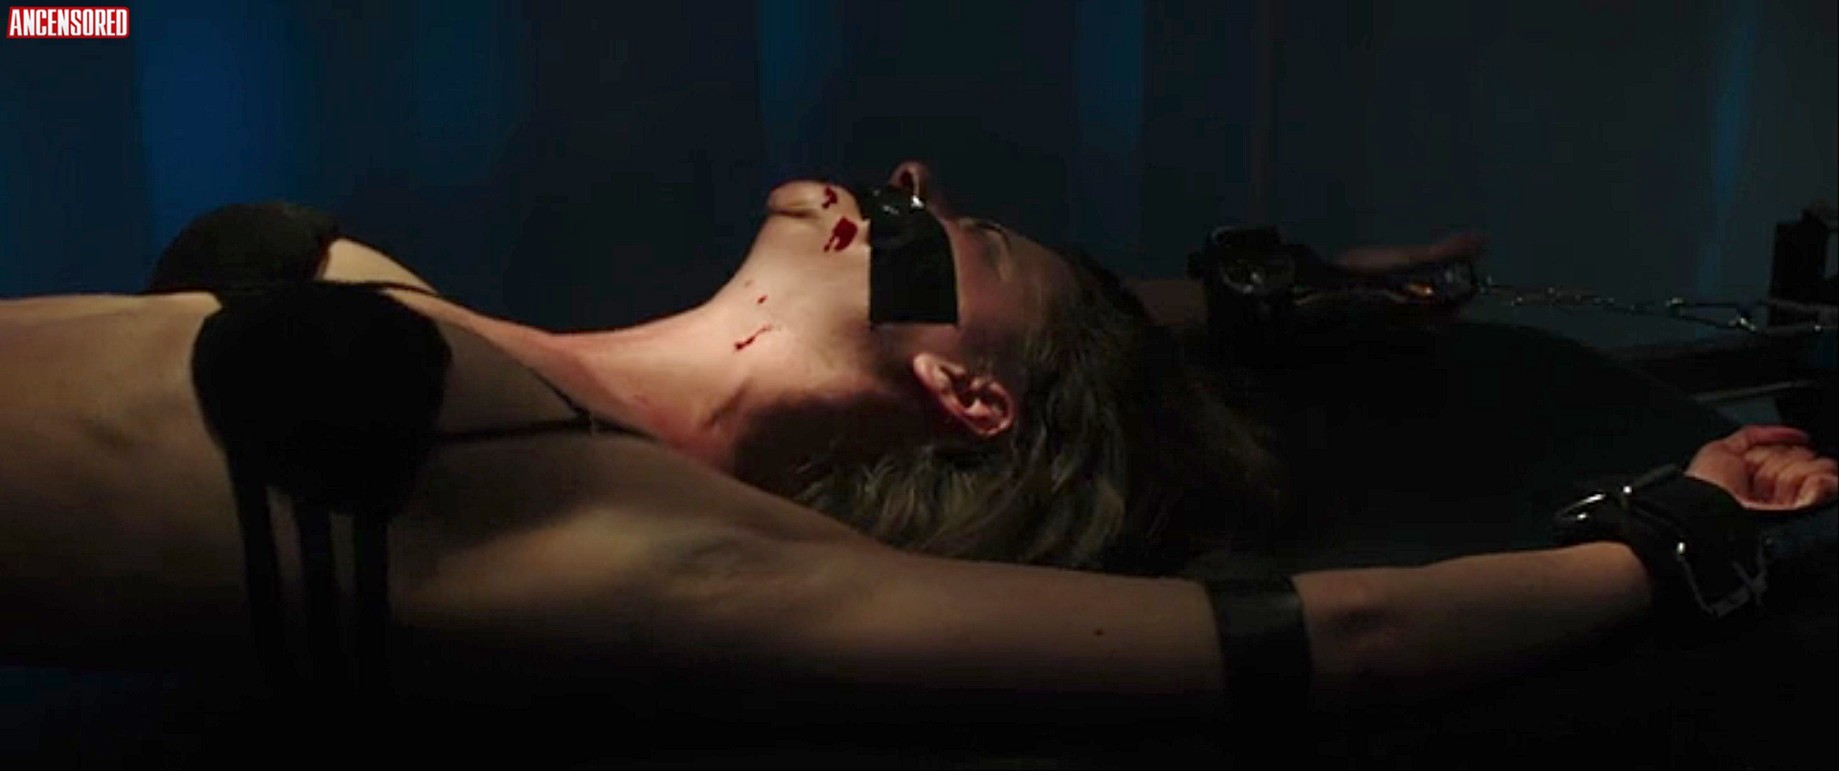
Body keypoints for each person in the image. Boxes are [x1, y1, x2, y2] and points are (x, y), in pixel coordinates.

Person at [0, 161, 1832, 740]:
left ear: (966, 400)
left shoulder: (655, 548)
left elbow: (1328, 639)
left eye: (967, 232)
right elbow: (1044, 329)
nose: (913, 187)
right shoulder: (477, 341)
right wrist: (1281, 302)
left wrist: (1669, 537)